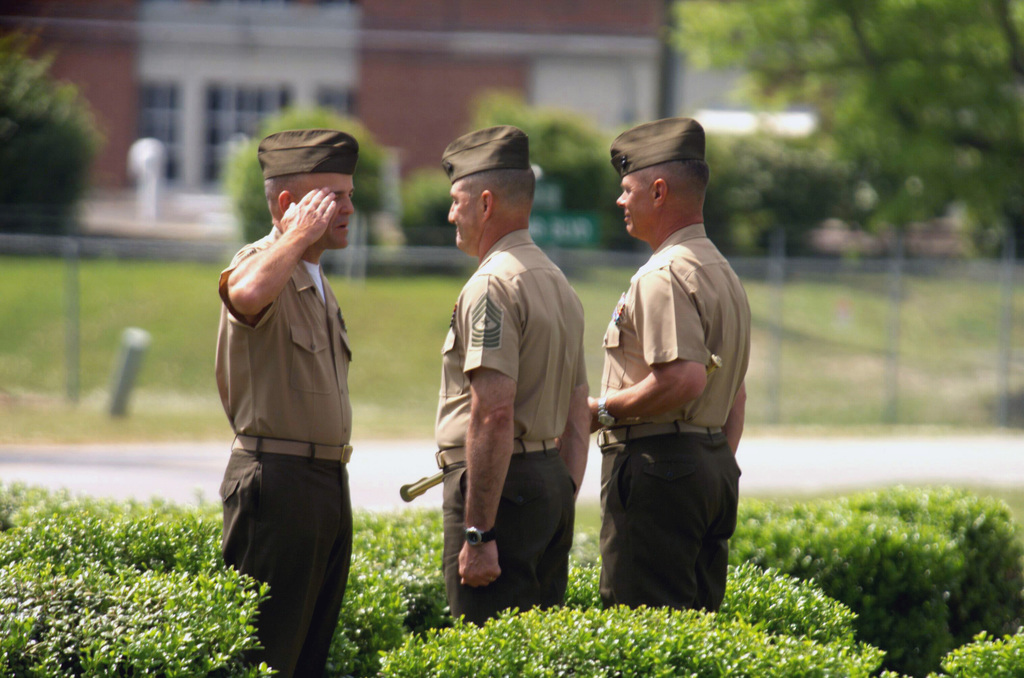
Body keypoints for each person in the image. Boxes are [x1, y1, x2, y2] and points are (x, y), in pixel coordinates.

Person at [590, 117, 751, 612]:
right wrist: (708, 459)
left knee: (646, 630)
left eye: (627, 188)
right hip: (710, 464)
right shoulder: (722, 271)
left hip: (661, 469)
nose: (620, 201)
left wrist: (601, 411)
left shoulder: (662, 274)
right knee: (696, 637)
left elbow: (683, 378)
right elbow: (735, 393)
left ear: (658, 191)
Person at [215, 129, 358, 677]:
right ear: (286, 205)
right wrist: (295, 236)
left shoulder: (312, 277)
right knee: (264, 657)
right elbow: (246, 294)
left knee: (306, 659)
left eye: (349, 194)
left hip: (323, 484)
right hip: (275, 483)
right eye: (332, 198)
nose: (348, 208)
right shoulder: (262, 262)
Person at [434, 125, 590, 625]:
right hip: (545, 482)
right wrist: (562, 492)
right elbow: (577, 402)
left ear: (485, 203)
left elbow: (492, 415)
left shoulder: (491, 286)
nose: (451, 213)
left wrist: (478, 533)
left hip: (501, 491)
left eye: (457, 200)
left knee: (485, 649)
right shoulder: (557, 281)